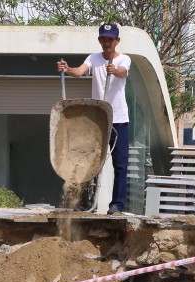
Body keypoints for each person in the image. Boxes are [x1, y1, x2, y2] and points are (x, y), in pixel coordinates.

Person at [57, 23, 132, 215]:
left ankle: (117, 205)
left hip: (118, 119)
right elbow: (79, 71)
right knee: (89, 159)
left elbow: (123, 71)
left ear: (117, 41)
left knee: (120, 164)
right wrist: (67, 69)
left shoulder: (124, 59)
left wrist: (115, 71)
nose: (106, 43)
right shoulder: (93, 58)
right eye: (103, 39)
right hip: (98, 119)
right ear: (99, 40)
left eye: (110, 39)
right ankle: (83, 201)